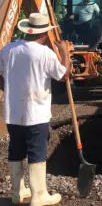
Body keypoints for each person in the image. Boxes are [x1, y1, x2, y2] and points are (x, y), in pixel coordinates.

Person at [1, 13, 70, 205]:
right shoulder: (44, 53)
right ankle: (39, 196)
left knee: (15, 150)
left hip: (13, 112)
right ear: (44, 34)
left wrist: (8, 88)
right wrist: (65, 52)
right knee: (36, 152)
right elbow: (63, 75)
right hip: (36, 113)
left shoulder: (8, 50)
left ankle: (17, 192)